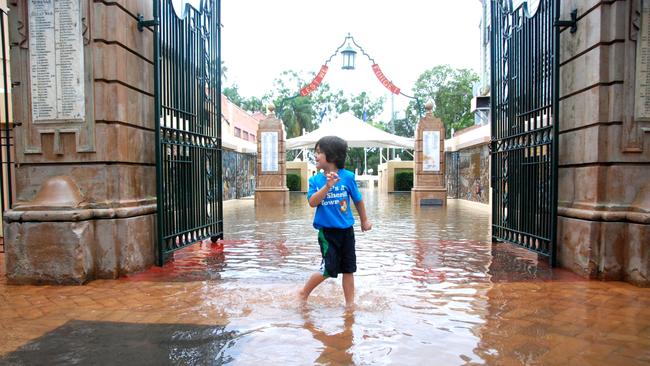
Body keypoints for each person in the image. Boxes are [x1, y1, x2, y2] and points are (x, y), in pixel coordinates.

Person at [299, 136, 372, 310]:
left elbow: (358, 200)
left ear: (331, 156)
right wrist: (327, 186)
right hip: (327, 233)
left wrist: (364, 220)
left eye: (318, 152)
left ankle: (349, 305)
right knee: (328, 269)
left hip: (347, 232)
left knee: (348, 269)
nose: (315, 156)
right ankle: (303, 293)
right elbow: (312, 202)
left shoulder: (347, 177)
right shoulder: (315, 181)